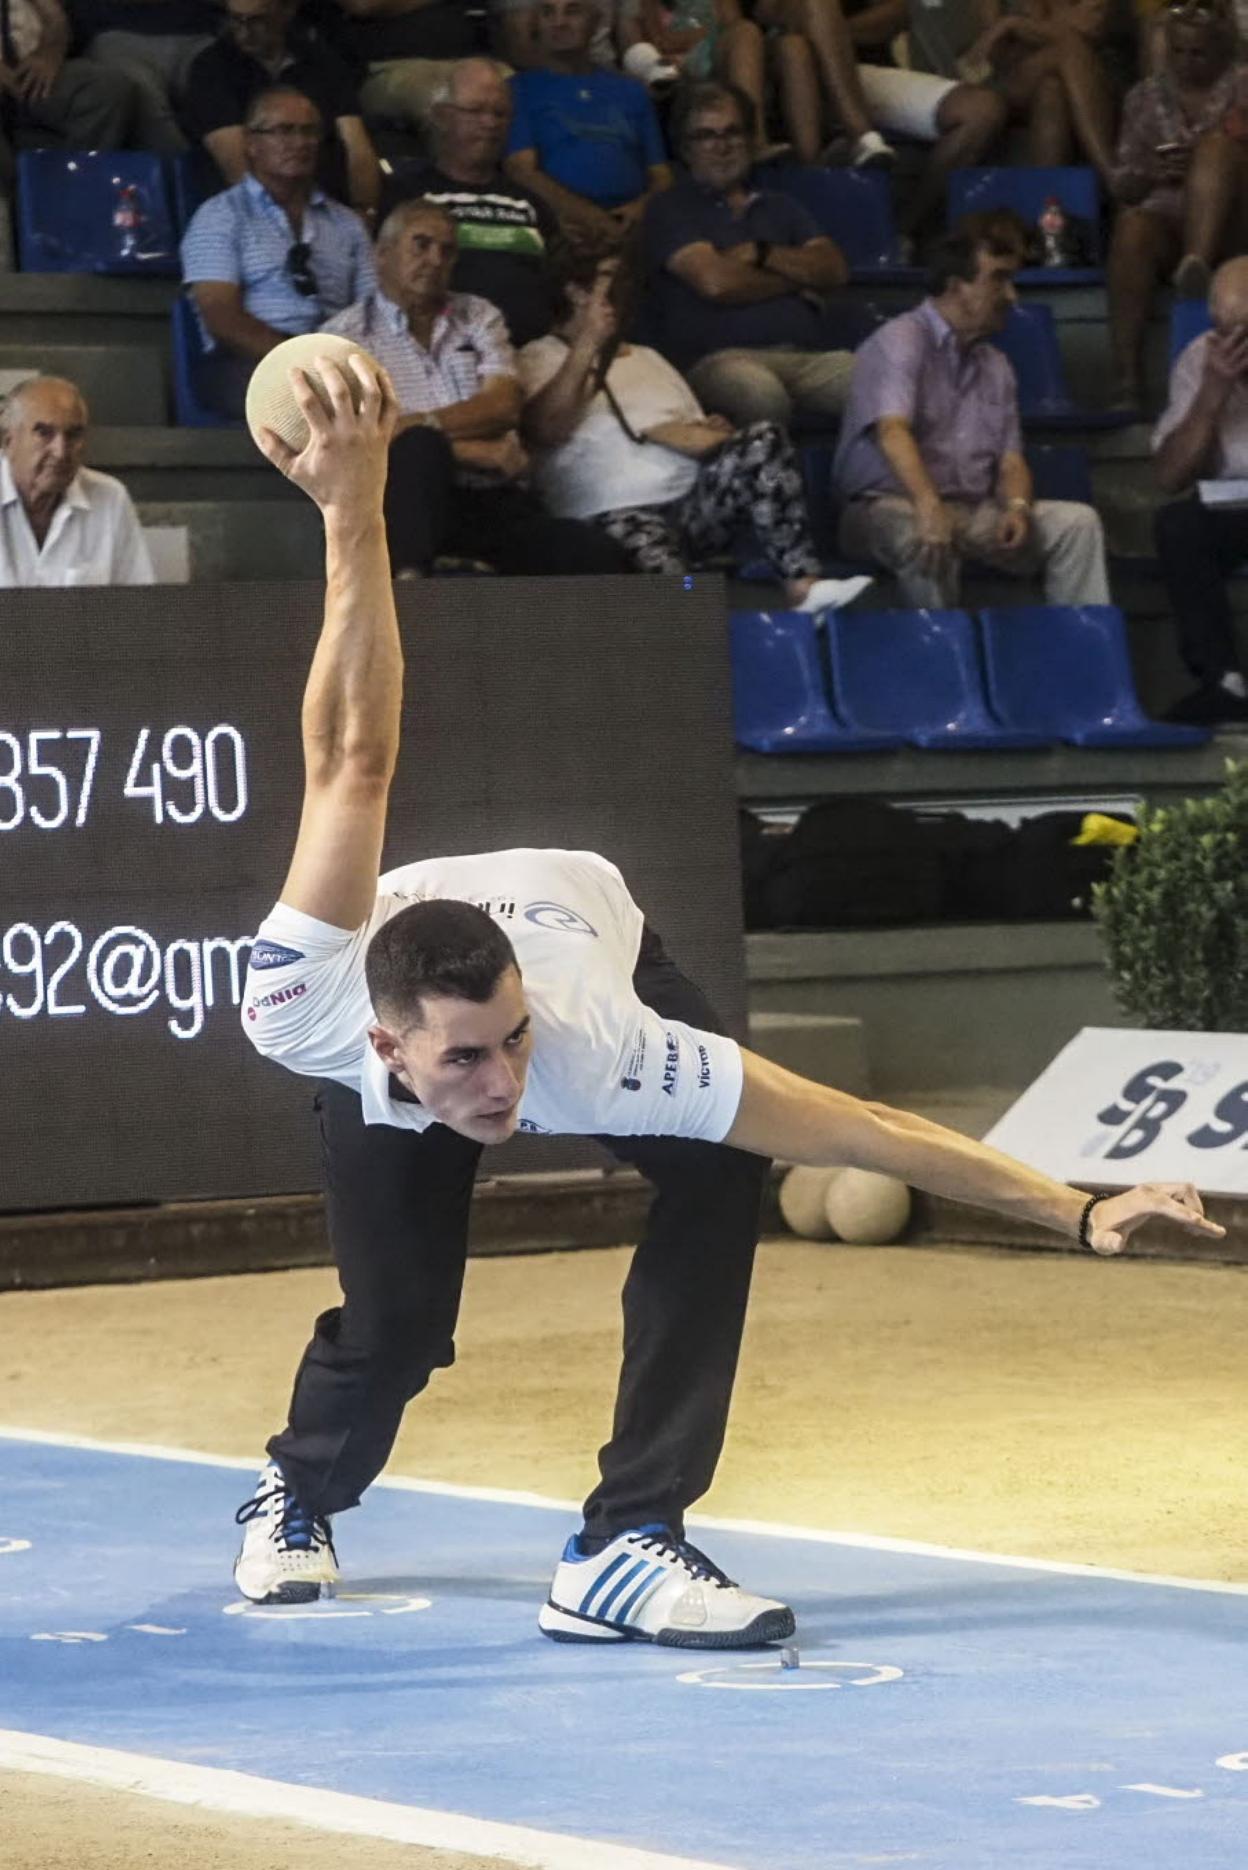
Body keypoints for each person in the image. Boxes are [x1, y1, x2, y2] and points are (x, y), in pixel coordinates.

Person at [231, 344, 1222, 1638]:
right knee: (404, 1323)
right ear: (388, 1047)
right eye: (470, 1061)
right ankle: (296, 1486)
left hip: (594, 929)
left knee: (719, 1165)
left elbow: (863, 1128)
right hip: (419, 965)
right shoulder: (299, 998)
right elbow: (350, 761)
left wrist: (1077, 1211)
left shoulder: (595, 1040)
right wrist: (352, 509)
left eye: (512, 1046)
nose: (507, 1085)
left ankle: (629, 1539)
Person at [520, 243, 869, 607]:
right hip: (612, 513)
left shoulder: (650, 357)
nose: (623, 289)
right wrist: (589, 344)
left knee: (763, 438)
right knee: (679, 586)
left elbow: (696, 423)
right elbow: (547, 428)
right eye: (610, 279)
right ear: (575, 292)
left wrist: (710, 430)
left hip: (690, 502)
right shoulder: (536, 356)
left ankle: (804, 587)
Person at [325, 197, 632, 572]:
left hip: (494, 498)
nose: (436, 260)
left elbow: (503, 407)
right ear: (383, 254)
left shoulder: (478, 315)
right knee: (418, 450)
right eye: (422, 245)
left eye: (448, 251)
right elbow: (359, 442)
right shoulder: (345, 337)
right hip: (404, 505)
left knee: (596, 554)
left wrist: (415, 425)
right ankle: (409, 599)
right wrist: (468, 451)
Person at [833, 226, 1111, 607]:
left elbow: (1011, 460)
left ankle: (1083, 658)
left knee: (1077, 525)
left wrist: (1017, 507)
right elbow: (892, 431)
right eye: (998, 280)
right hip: (883, 506)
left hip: (972, 509)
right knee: (922, 532)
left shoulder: (997, 365)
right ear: (954, 286)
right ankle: (946, 659)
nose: (1011, 296)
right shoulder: (900, 339)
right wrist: (928, 506)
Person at [642, 79, 853, 428]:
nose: (721, 145)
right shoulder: (671, 207)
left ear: (751, 140)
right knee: (760, 394)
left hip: (803, 356)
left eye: (733, 132)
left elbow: (833, 270)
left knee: (882, 383)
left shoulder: (782, 207)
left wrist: (761, 252)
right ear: (685, 148)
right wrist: (793, 279)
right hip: (718, 362)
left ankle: (869, 483)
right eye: (706, 136)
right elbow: (717, 283)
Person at [180, 84, 377, 418]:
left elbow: (373, 313)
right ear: (251, 143)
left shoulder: (347, 224)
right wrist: (298, 360)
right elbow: (221, 317)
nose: (299, 143)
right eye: (284, 131)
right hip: (247, 360)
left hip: (335, 357)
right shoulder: (219, 216)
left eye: (309, 132)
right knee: (311, 401)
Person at [1107, 0, 1248, 410]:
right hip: (1168, 218)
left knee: (1216, 150)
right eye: (1178, 52)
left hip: (1238, 222)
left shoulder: (1244, 85)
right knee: (1133, 226)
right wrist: (1151, 170)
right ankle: (1126, 383)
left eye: (1198, 52)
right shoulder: (1144, 98)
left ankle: (1197, 265)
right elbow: (1123, 186)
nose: (1186, 62)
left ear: (1222, 50)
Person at [765, 0, 1007, 235]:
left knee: (981, 110)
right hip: (779, 73)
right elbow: (768, 12)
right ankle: (861, 137)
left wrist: (829, 33)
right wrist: (822, 27)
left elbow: (899, 12)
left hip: (857, 70)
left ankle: (905, 231)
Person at [379, 56, 559, 347]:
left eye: (500, 114)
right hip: (441, 351)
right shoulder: (407, 196)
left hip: (533, 350)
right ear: (441, 116)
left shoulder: (530, 203)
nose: (489, 123)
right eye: (475, 110)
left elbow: (559, 285)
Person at [1152, 254, 1248, 723]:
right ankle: (1223, 681)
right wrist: (1211, 397)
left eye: (1243, 332)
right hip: (1230, 506)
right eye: (1221, 328)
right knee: (1179, 525)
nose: (1230, 344)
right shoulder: (1201, 357)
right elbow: (1170, 477)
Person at [181, 0, 381, 217]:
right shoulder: (211, 68)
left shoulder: (321, 61)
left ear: (287, 11)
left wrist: (365, 211)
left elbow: (356, 148)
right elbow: (237, 167)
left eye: (257, 21)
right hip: (251, 214)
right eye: (236, 20)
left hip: (331, 208)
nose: (244, 32)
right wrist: (294, 224)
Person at [504, 0, 672, 249]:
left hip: (635, 228)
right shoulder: (518, 89)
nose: (559, 22)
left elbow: (662, 175)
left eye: (572, 11)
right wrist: (594, 218)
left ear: (596, 23)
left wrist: (640, 210)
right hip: (563, 229)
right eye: (548, 12)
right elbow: (521, 171)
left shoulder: (632, 90)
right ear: (537, 24)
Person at [0, 376, 154, 586]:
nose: (61, 451)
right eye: (44, 433)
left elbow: (138, 605)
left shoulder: (110, 498)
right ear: (8, 442)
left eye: (73, 435)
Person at [0, 0, 140, 188]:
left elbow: (55, 19)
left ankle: (77, 187)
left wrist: (49, 53)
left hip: (27, 71)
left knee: (108, 89)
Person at [75, 0, 217, 153]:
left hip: (203, 31)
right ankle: (178, 168)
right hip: (116, 33)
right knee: (144, 101)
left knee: (222, 89)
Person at [322, 0, 479, 134]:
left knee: (500, 85)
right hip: (382, 67)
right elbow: (362, 3)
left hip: (465, 60)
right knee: (458, 102)